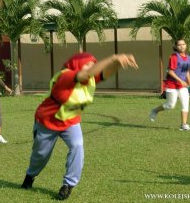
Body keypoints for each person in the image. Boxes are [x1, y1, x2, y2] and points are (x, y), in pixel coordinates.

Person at [20, 52, 138, 200]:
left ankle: (68, 185)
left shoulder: (90, 78)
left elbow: (103, 74)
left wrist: (117, 64)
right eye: (89, 63)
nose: (93, 66)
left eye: (94, 64)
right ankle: (30, 176)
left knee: (77, 146)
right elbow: (86, 74)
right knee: (41, 155)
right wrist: (113, 58)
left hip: (71, 121)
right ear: (77, 64)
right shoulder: (66, 76)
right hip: (48, 120)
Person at [149, 39, 190, 131]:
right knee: (170, 105)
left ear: (186, 45)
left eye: (183, 44)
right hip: (172, 85)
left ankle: (184, 125)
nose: (182, 46)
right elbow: (170, 71)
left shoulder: (189, 57)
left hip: (182, 87)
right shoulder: (174, 56)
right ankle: (155, 110)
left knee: (186, 104)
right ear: (176, 47)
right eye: (179, 45)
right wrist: (180, 80)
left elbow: (186, 71)